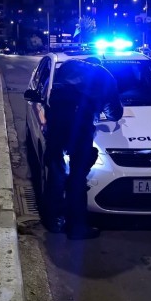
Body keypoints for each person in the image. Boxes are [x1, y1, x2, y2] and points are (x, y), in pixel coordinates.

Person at [42, 57, 123, 240]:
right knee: (78, 176)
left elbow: (50, 91)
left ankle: (53, 221)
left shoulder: (68, 65)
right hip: (80, 126)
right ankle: (77, 228)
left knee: (55, 172)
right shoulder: (106, 76)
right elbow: (115, 113)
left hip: (57, 123)